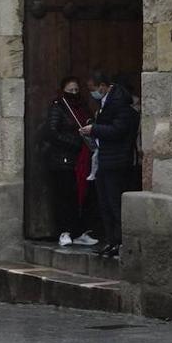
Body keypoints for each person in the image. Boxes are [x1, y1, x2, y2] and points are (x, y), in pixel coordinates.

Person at [82, 71, 140, 258]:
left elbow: (119, 130)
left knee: (114, 202)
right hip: (105, 159)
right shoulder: (106, 103)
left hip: (116, 160)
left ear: (102, 86)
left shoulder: (119, 103)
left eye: (93, 89)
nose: (92, 93)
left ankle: (120, 241)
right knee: (105, 202)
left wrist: (95, 129)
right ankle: (111, 240)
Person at [43, 77, 99, 248]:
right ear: (63, 90)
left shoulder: (82, 107)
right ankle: (65, 231)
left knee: (82, 196)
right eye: (70, 90)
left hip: (83, 160)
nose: (74, 93)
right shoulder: (58, 107)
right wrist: (75, 141)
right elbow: (52, 132)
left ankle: (80, 232)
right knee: (65, 196)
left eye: (76, 90)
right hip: (64, 159)